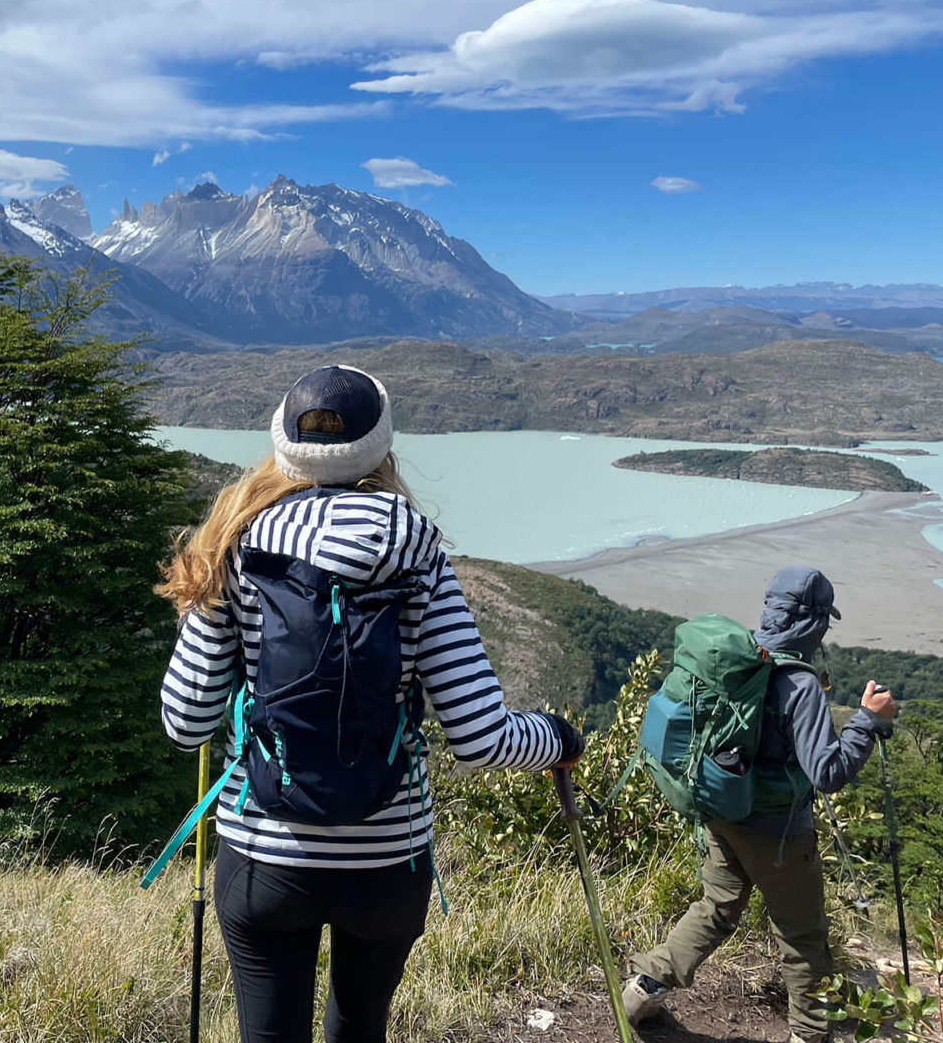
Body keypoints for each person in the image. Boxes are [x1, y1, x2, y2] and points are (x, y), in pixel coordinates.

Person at [158, 364, 583, 1043]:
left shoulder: (233, 542)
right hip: (389, 860)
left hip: (264, 852)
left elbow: (186, 724)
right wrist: (558, 739)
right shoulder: (416, 548)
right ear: (383, 445)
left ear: (283, 442)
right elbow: (479, 736)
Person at [622, 566, 897, 1043]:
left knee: (716, 907)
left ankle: (641, 991)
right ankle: (810, 1035)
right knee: (802, 935)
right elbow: (828, 774)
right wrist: (867, 722)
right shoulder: (800, 684)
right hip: (779, 833)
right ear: (813, 621)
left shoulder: (741, 659)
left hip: (724, 811)